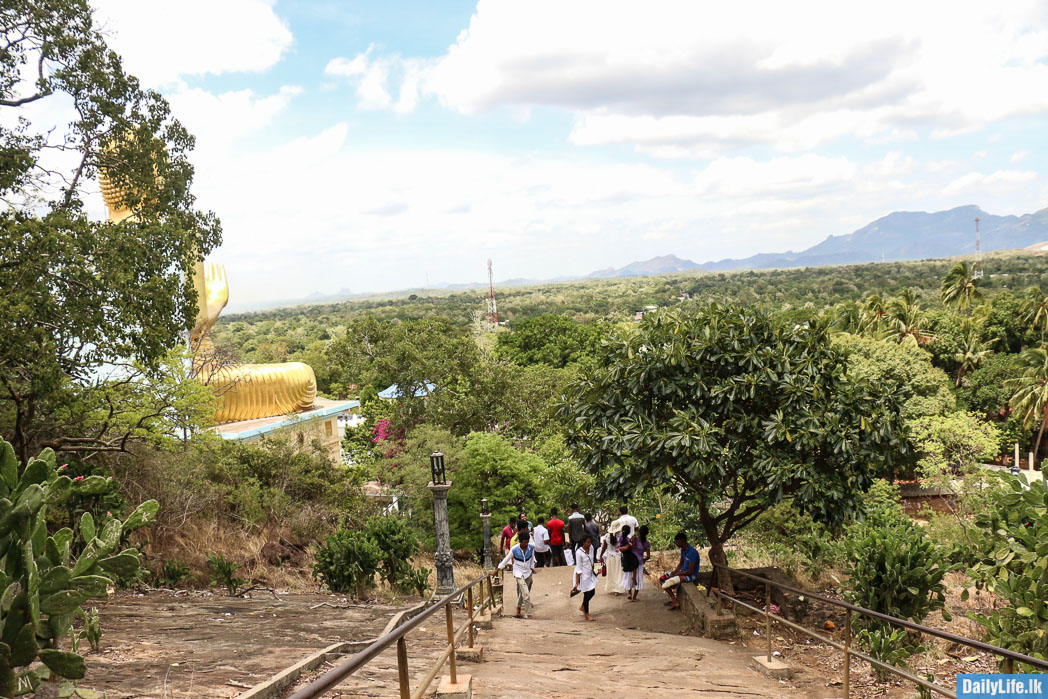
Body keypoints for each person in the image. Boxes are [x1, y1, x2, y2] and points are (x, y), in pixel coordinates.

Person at [494, 531, 536, 618]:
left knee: (523, 592)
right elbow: (505, 560)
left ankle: (518, 607)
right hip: (518, 572)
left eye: (527, 542)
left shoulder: (531, 548)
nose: (526, 544)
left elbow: (532, 559)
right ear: (520, 542)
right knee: (526, 593)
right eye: (524, 542)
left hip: (528, 572)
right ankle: (528, 613)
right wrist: (496, 570)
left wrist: (532, 568)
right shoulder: (514, 549)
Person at [662, 531, 701, 611]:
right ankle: (674, 601)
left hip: (690, 575)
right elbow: (680, 564)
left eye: (676, 541)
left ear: (681, 541)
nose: (676, 543)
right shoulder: (683, 550)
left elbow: (690, 571)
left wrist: (678, 574)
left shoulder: (692, 552)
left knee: (668, 583)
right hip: (682, 572)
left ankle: (675, 601)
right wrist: (674, 572)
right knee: (662, 579)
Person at [571, 533, 598, 621]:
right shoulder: (579, 552)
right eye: (588, 542)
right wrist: (576, 583)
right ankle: (587, 614)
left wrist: (594, 570)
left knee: (592, 592)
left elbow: (592, 559)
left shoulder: (591, 548)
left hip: (590, 573)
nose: (589, 544)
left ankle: (583, 606)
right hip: (583, 575)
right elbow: (579, 568)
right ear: (583, 542)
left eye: (590, 542)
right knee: (587, 594)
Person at [625, 525, 651, 601]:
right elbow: (648, 556)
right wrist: (644, 560)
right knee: (638, 579)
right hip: (639, 562)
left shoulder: (634, 539)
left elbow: (628, 546)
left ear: (639, 531)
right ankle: (634, 597)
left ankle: (629, 593)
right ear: (647, 533)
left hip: (631, 561)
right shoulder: (646, 543)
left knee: (629, 577)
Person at [599, 524, 624, 594]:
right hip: (618, 556)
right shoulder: (621, 536)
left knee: (611, 573)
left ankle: (612, 587)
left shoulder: (606, 536)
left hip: (609, 557)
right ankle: (617, 589)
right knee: (618, 573)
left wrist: (601, 556)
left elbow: (604, 547)